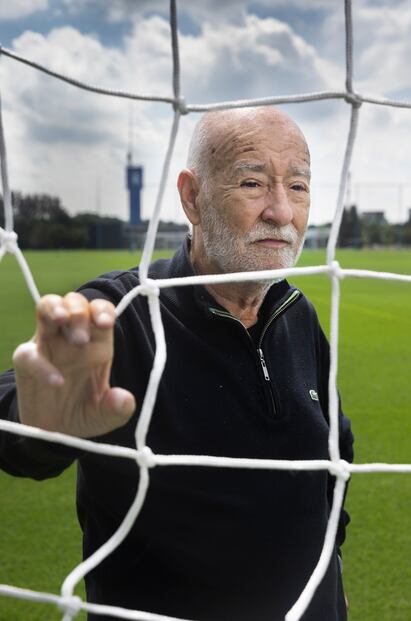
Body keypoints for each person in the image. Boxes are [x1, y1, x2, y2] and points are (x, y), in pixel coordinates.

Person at [0, 107, 353, 621]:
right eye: (252, 183)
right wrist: (40, 422)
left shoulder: (298, 315)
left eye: (297, 187)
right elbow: (16, 421)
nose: (281, 211)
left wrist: (333, 567)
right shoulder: (122, 312)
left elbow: (335, 456)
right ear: (192, 197)